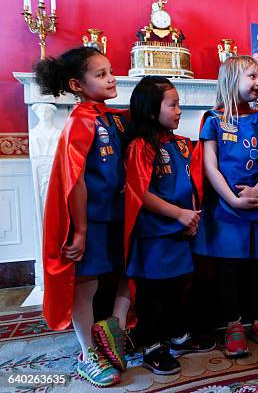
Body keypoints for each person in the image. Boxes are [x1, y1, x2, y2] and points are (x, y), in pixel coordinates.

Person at [36, 47, 131, 387]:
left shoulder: (111, 116)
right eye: (101, 74)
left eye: (111, 71)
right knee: (86, 285)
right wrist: (80, 231)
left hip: (119, 215)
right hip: (90, 220)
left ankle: (114, 328)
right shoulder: (81, 121)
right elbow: (74, 180)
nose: (111, 78)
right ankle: (87, 352)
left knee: (129, 269)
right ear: (77, 84)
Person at [124, 76, 215, 376]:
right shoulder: (141, 146)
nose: (178, 111)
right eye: (172, 105)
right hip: (154, 235)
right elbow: (140, 192)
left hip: (180, 231)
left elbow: (189, 183)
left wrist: (191, 216)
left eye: (179, 105)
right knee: (154, 292)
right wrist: (177, 214)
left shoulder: (180, 145)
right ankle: (152, 345)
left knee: (177, 287)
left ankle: (178, 335)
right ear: (152, 111)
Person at [196, 56, 258, 357]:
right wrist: (233, 199)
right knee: (229, 267)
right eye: (252, 77)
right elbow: (210, 167)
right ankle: (233, 324)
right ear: (231, 80)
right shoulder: (213, 120)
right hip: (226, 207)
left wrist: (257, 190)